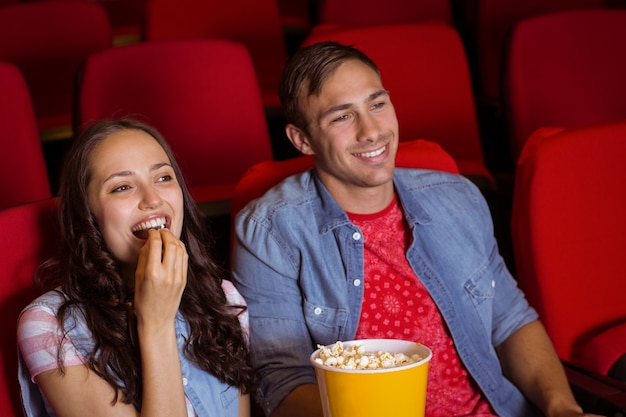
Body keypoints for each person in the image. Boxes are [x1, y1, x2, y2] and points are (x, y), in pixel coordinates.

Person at [231, 41, 602, 417]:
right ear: (302, 139)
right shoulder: (270, 230)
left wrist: (562, 408)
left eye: (377, 104)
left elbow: (510, 323)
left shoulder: (459, 198)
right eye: (342, 117)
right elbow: (282, 381)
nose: (372, 131)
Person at [17, 119, 257, 417]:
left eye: (163, 178)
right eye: (122, 187)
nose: (153, 199)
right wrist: (156, 324)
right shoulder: (50, 326)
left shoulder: (223, 299)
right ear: (86, 215)